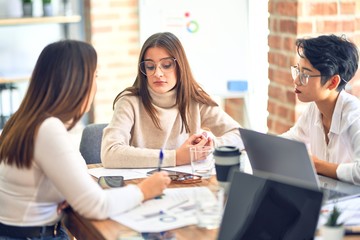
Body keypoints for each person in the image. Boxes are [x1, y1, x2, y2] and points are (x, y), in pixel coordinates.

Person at [0, 40, 171, 239]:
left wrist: (68, 193)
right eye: (95, 76)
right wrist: (144, 190)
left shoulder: (24, 120)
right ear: (75, 82)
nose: (96, 85)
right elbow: (96, 206)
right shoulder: (47, 129)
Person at [101, 32, 243, 168]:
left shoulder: (195, 99)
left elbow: (240, 136)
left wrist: (208, 146)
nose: (157, 73)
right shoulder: (129, 101)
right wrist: (175, 157)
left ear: (180, 66)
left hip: (186, 183)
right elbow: (109, 153)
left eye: (166, 65)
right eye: (150, 66)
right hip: (144, 185)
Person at [281, 34, 360, 185]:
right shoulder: (314, 108)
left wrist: (319, 166)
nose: (296, 80)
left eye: (305, 75)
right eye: (297, 71)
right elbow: (291, 140)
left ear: (332, 82)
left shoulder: (354, 115)